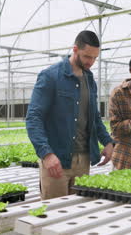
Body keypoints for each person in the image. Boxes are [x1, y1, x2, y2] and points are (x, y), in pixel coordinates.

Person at [26, 30, 114, 199]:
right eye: (87, 57)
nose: (91, 62)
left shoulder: (90, 81)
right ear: (75, 49)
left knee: (77, 213)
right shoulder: (50, 76)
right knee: (53, 215)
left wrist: (107, 142)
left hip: (83, 161)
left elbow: (94, 117)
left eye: (95, 58)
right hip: (57, 161)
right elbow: (33, 118)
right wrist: (46, 154)